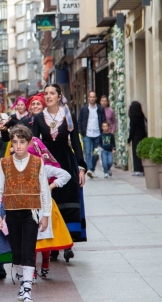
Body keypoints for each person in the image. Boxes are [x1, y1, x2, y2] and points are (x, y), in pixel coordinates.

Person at [0, 125, 71, 302]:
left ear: (28, 143)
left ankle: (27, 287)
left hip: (32, 212)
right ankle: (22, 280)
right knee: (17, 250)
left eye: (22, 142)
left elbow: (44, 190)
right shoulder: (4, 163)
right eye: (15, 142)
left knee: (29, 247)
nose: (18, 146)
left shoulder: (37, 162)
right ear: (11, 144)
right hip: (11, 211)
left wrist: (45, 215)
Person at [34, 83, 88, 257]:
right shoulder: (38, 118)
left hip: (66, 161)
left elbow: (76, 143)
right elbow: (35, 144)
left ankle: (68, 244)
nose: (48, 96)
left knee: (68, 199)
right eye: (46, 93)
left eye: (52, 93)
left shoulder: (68, 115)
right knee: (50, 201)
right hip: (47, 163)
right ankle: (54, 243)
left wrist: (81, 167)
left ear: (59, 96)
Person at [27, 138, 74, 278]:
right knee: (32, 238)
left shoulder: (44, 168)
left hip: (44, 206)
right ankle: (32, 270)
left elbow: (66, 175)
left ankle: (45, 263)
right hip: (28, 205)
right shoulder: (20, 167)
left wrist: (51, 186)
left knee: (45, 236)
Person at [78, 91, 106, 178]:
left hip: (97, 134)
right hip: (87, 134)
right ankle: (90, 169)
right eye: (91, 97)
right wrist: (80, 131)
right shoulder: (84, 109)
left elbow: (103, 121)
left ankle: (92, 169)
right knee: (87, 152)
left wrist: (103, 132)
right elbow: (80, 121)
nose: (92, 98)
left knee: (95, 153)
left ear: (96, 98)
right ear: (88, 98)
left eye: (94, 97)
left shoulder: (100, 109)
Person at [127, 101, 147, 176]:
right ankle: (142, 169)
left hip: (135, 137)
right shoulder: (142, 117)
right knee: (141, 153)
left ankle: (137, 169)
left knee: (136, 153)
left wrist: (129, 139)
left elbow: (132, 130)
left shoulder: (133, 118)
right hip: (143, 136)